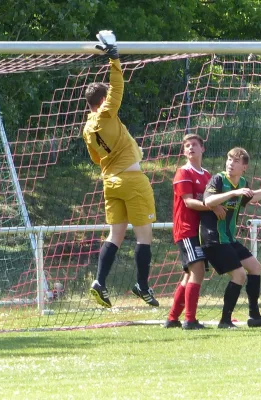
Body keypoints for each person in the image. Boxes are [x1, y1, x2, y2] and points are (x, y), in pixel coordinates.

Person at [82, 30, 158, 308]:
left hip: (110, 182)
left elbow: (95, 158)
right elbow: (117, 88)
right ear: (101, 103)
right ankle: (142, 285)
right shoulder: (105, 113)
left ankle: (99, 282)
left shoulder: (87, 129)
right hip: (132, 180)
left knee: (115, 234)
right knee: (144, 236)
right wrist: (114, 59)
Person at [201, 147, 261, 329]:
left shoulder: (242, 182)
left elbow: (253, 197)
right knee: (239, 275)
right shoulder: (218, 179)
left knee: (255, 267)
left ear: (244, 167)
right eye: (229, 159)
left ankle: (254, 316)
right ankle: (225, 321)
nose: (230, 164)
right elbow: (208, 201)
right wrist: (234, 193)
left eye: (235, 161)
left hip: (228, 239)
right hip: (214, 240)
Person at [164, 134, 226, 330]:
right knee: (198, 270)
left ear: (202, 149)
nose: (191, 148)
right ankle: (190, 320)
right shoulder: (183, 172)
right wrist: (211, 207)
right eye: (187, 146)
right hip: (186, 230)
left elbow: (213, 199)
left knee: (189, 275)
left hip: (200, 232)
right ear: (184, 152)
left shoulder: (207, 175)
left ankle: (173, 318)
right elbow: (189, 202)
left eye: (195, 145)